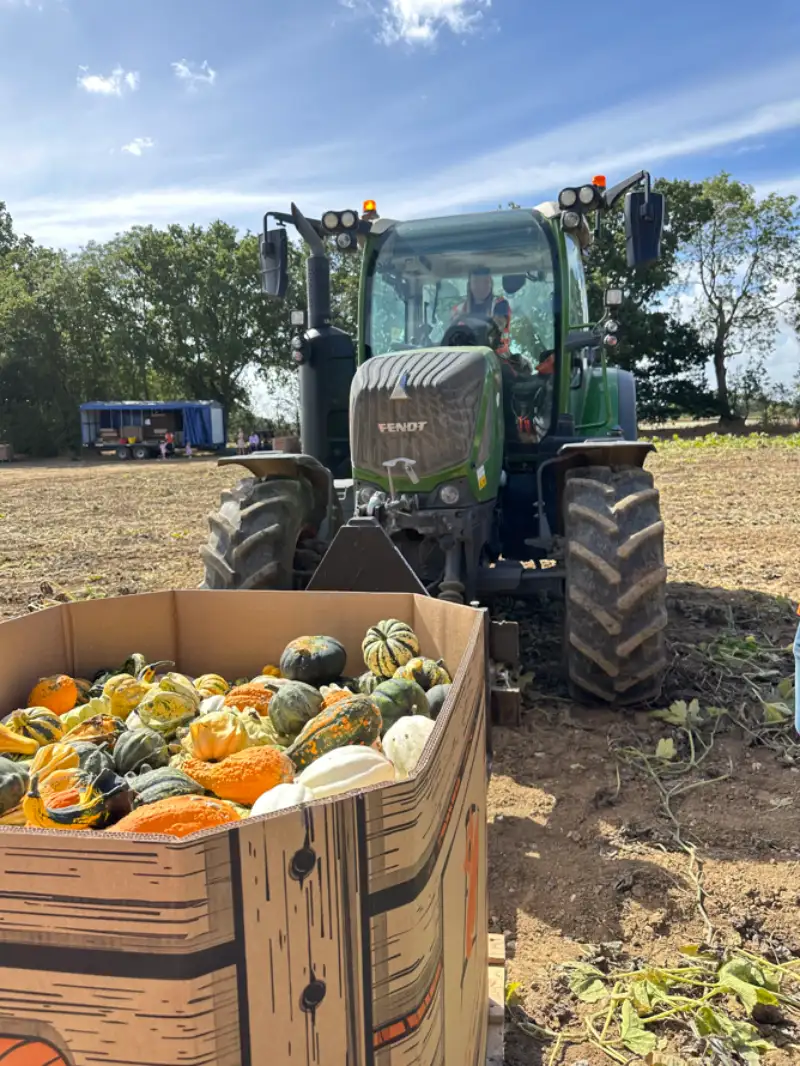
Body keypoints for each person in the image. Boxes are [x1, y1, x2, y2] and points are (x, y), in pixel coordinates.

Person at [452, 267, 512, 356]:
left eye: (485, 282)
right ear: (470, 285)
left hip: (498, 359)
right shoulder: (458, 310)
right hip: (464, 358)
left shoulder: (500, 305)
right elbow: (451, 335)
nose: (481, 287)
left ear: (491, 284)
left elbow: (498, 327)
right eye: (476, 282)